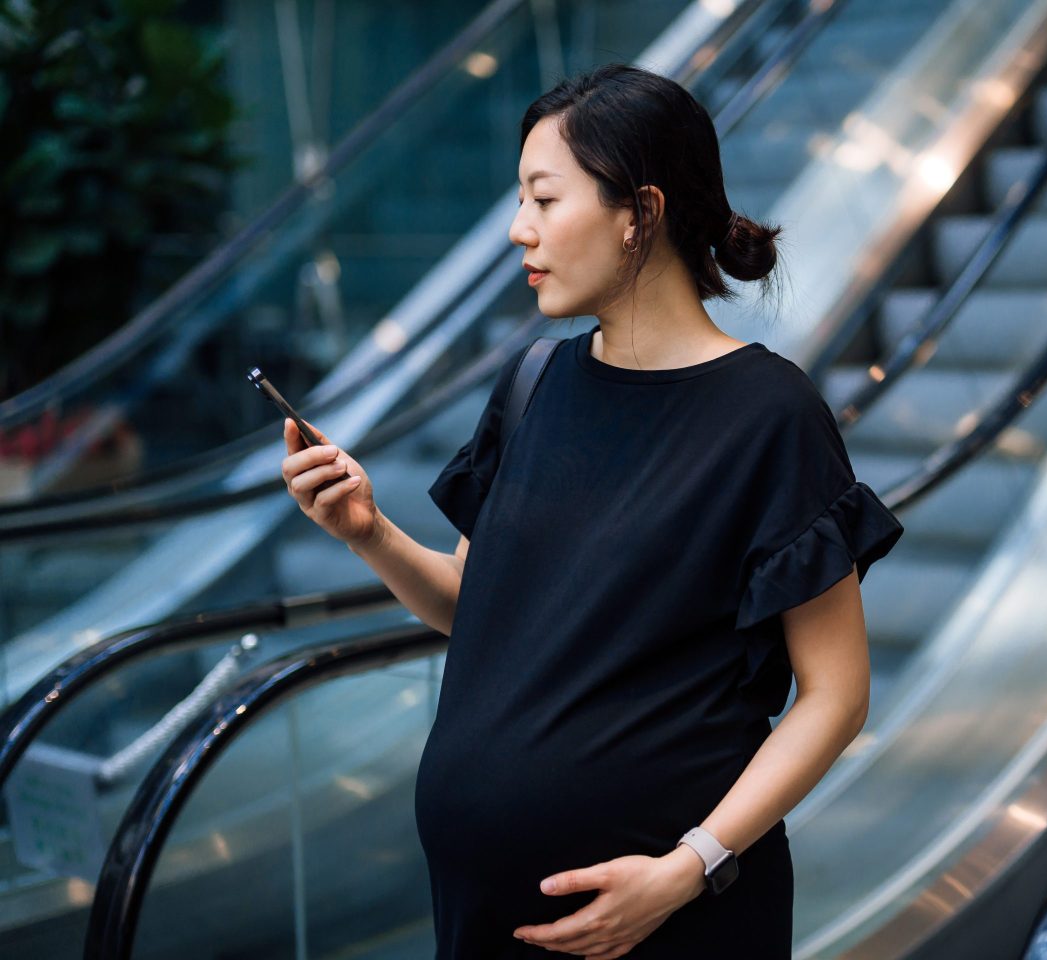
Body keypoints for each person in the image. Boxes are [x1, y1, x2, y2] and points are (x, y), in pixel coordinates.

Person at [280, 62, 904, 959]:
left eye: (542, 199)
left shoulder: (770, 416)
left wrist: (689, 867)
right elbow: (473, 606)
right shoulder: (534, 383)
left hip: (673, 920)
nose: (516, 230)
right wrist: (367, 532)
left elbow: (836, 696)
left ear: (637, 214)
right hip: (482, 914)